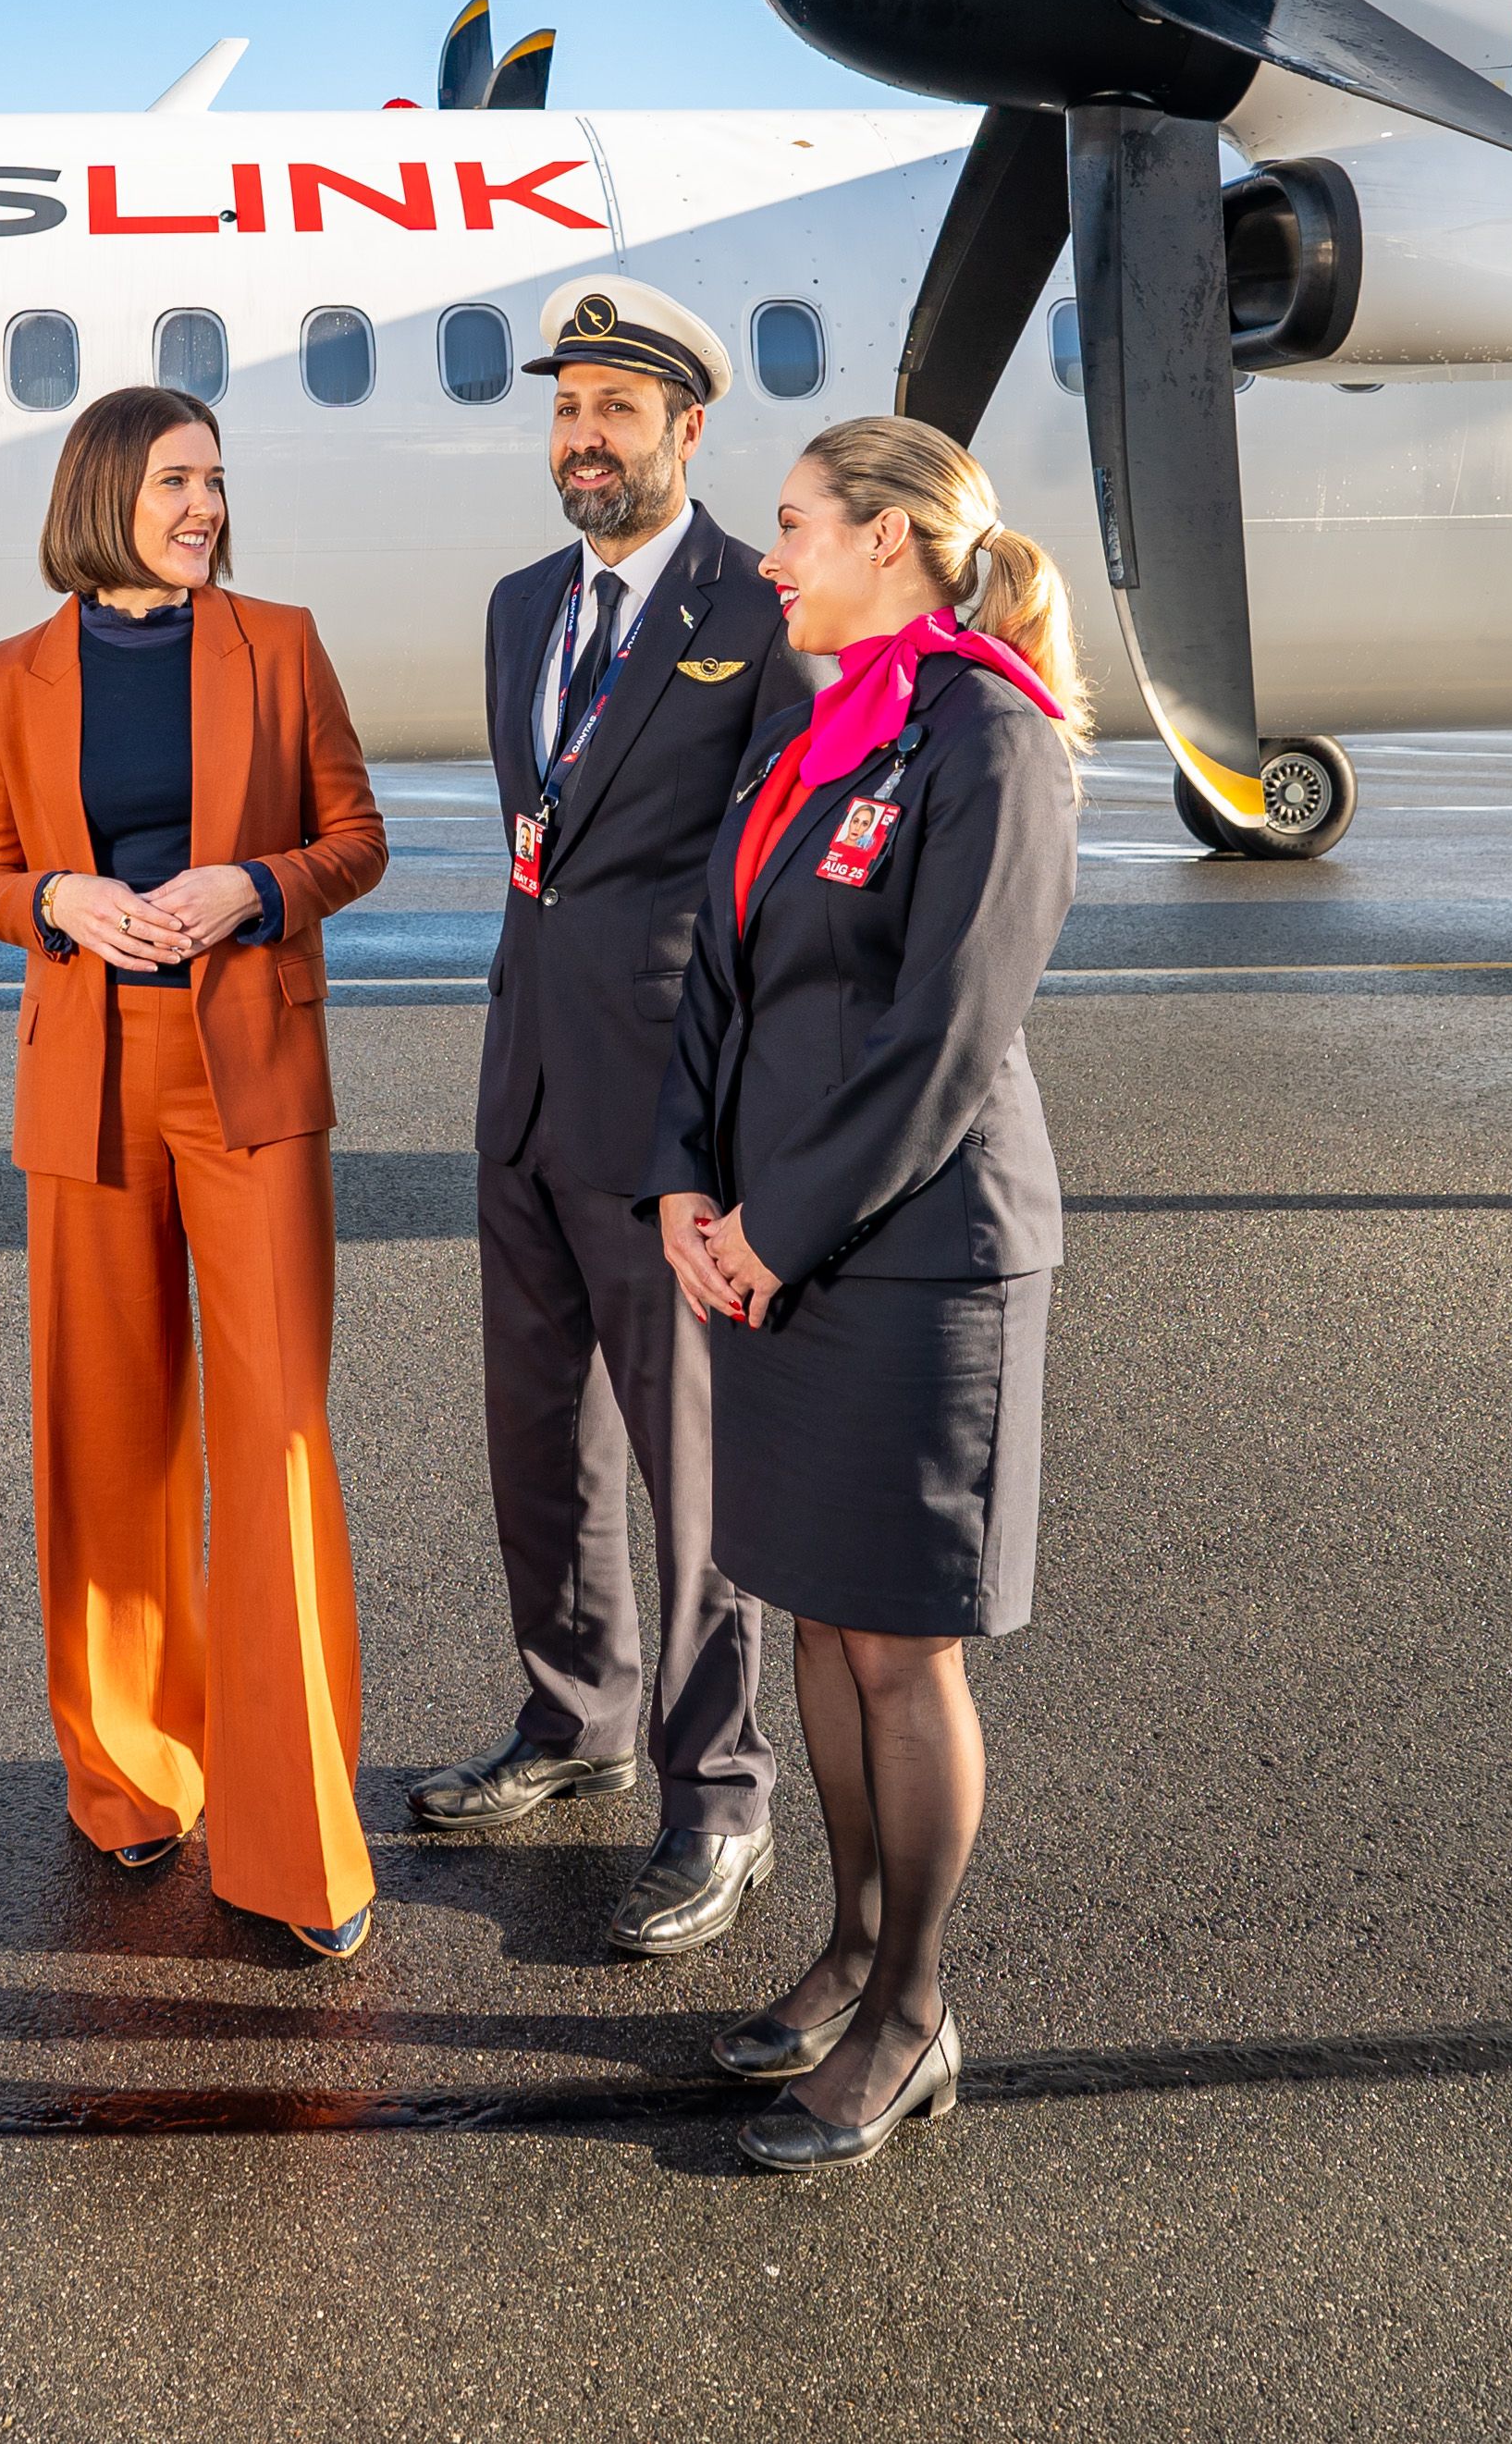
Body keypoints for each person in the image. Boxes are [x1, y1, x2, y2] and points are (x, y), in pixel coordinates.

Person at [651, 413, 1082, 2168]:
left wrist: (776, 1228)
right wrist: (688, 1181)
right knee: (823, 1620)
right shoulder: (824, 726)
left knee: (900, 1653)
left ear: (890, 540)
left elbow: (948, 1040)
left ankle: (911, 2012)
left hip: (917, 1253)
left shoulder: (990, 732)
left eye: (795, 526)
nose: (771, 558)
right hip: (780, 1248)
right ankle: (842, 1949)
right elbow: (721, 977)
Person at [0, 387, 394, 1955]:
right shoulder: (12, 673)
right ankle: (130, 1778)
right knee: (104, 1435)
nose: (203, 506)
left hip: (246, 1079)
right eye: (174, 482)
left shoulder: (278, 641)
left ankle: (296, 1843)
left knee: (270, 1443)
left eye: (214, 479)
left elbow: (356, 838)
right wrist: (61, 898)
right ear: (102, 497)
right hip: (85, 1081)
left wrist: (249, 888)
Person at [408, 278, 806, 1959]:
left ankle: (716, 1796)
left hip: (671, 1118)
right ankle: (572, 1720)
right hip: (530, 1089)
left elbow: (769, 887)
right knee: (540, 1439)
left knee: (691, 1466)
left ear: (685, 430)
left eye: (615, 413)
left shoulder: (755, 607)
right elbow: (543, 855)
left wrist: (726, 1144)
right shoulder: (519, 605)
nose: (582, 439)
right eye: (565, 410)